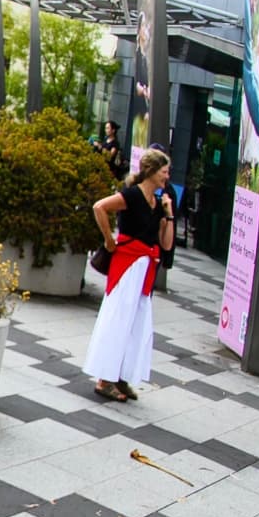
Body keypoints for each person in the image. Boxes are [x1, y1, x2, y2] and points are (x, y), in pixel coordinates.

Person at [87, 147, 173, 403]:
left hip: (145, 267)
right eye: (165, 172)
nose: (167, 178)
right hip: (127, 265)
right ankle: (105, 378)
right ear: (152, 171)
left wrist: (168, 214)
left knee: (135, 323)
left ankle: (121, 376)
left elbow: (166, 244)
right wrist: (109, 241)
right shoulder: (132, 195)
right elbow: (100, 207)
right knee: (118, 319)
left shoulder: (157, 203)